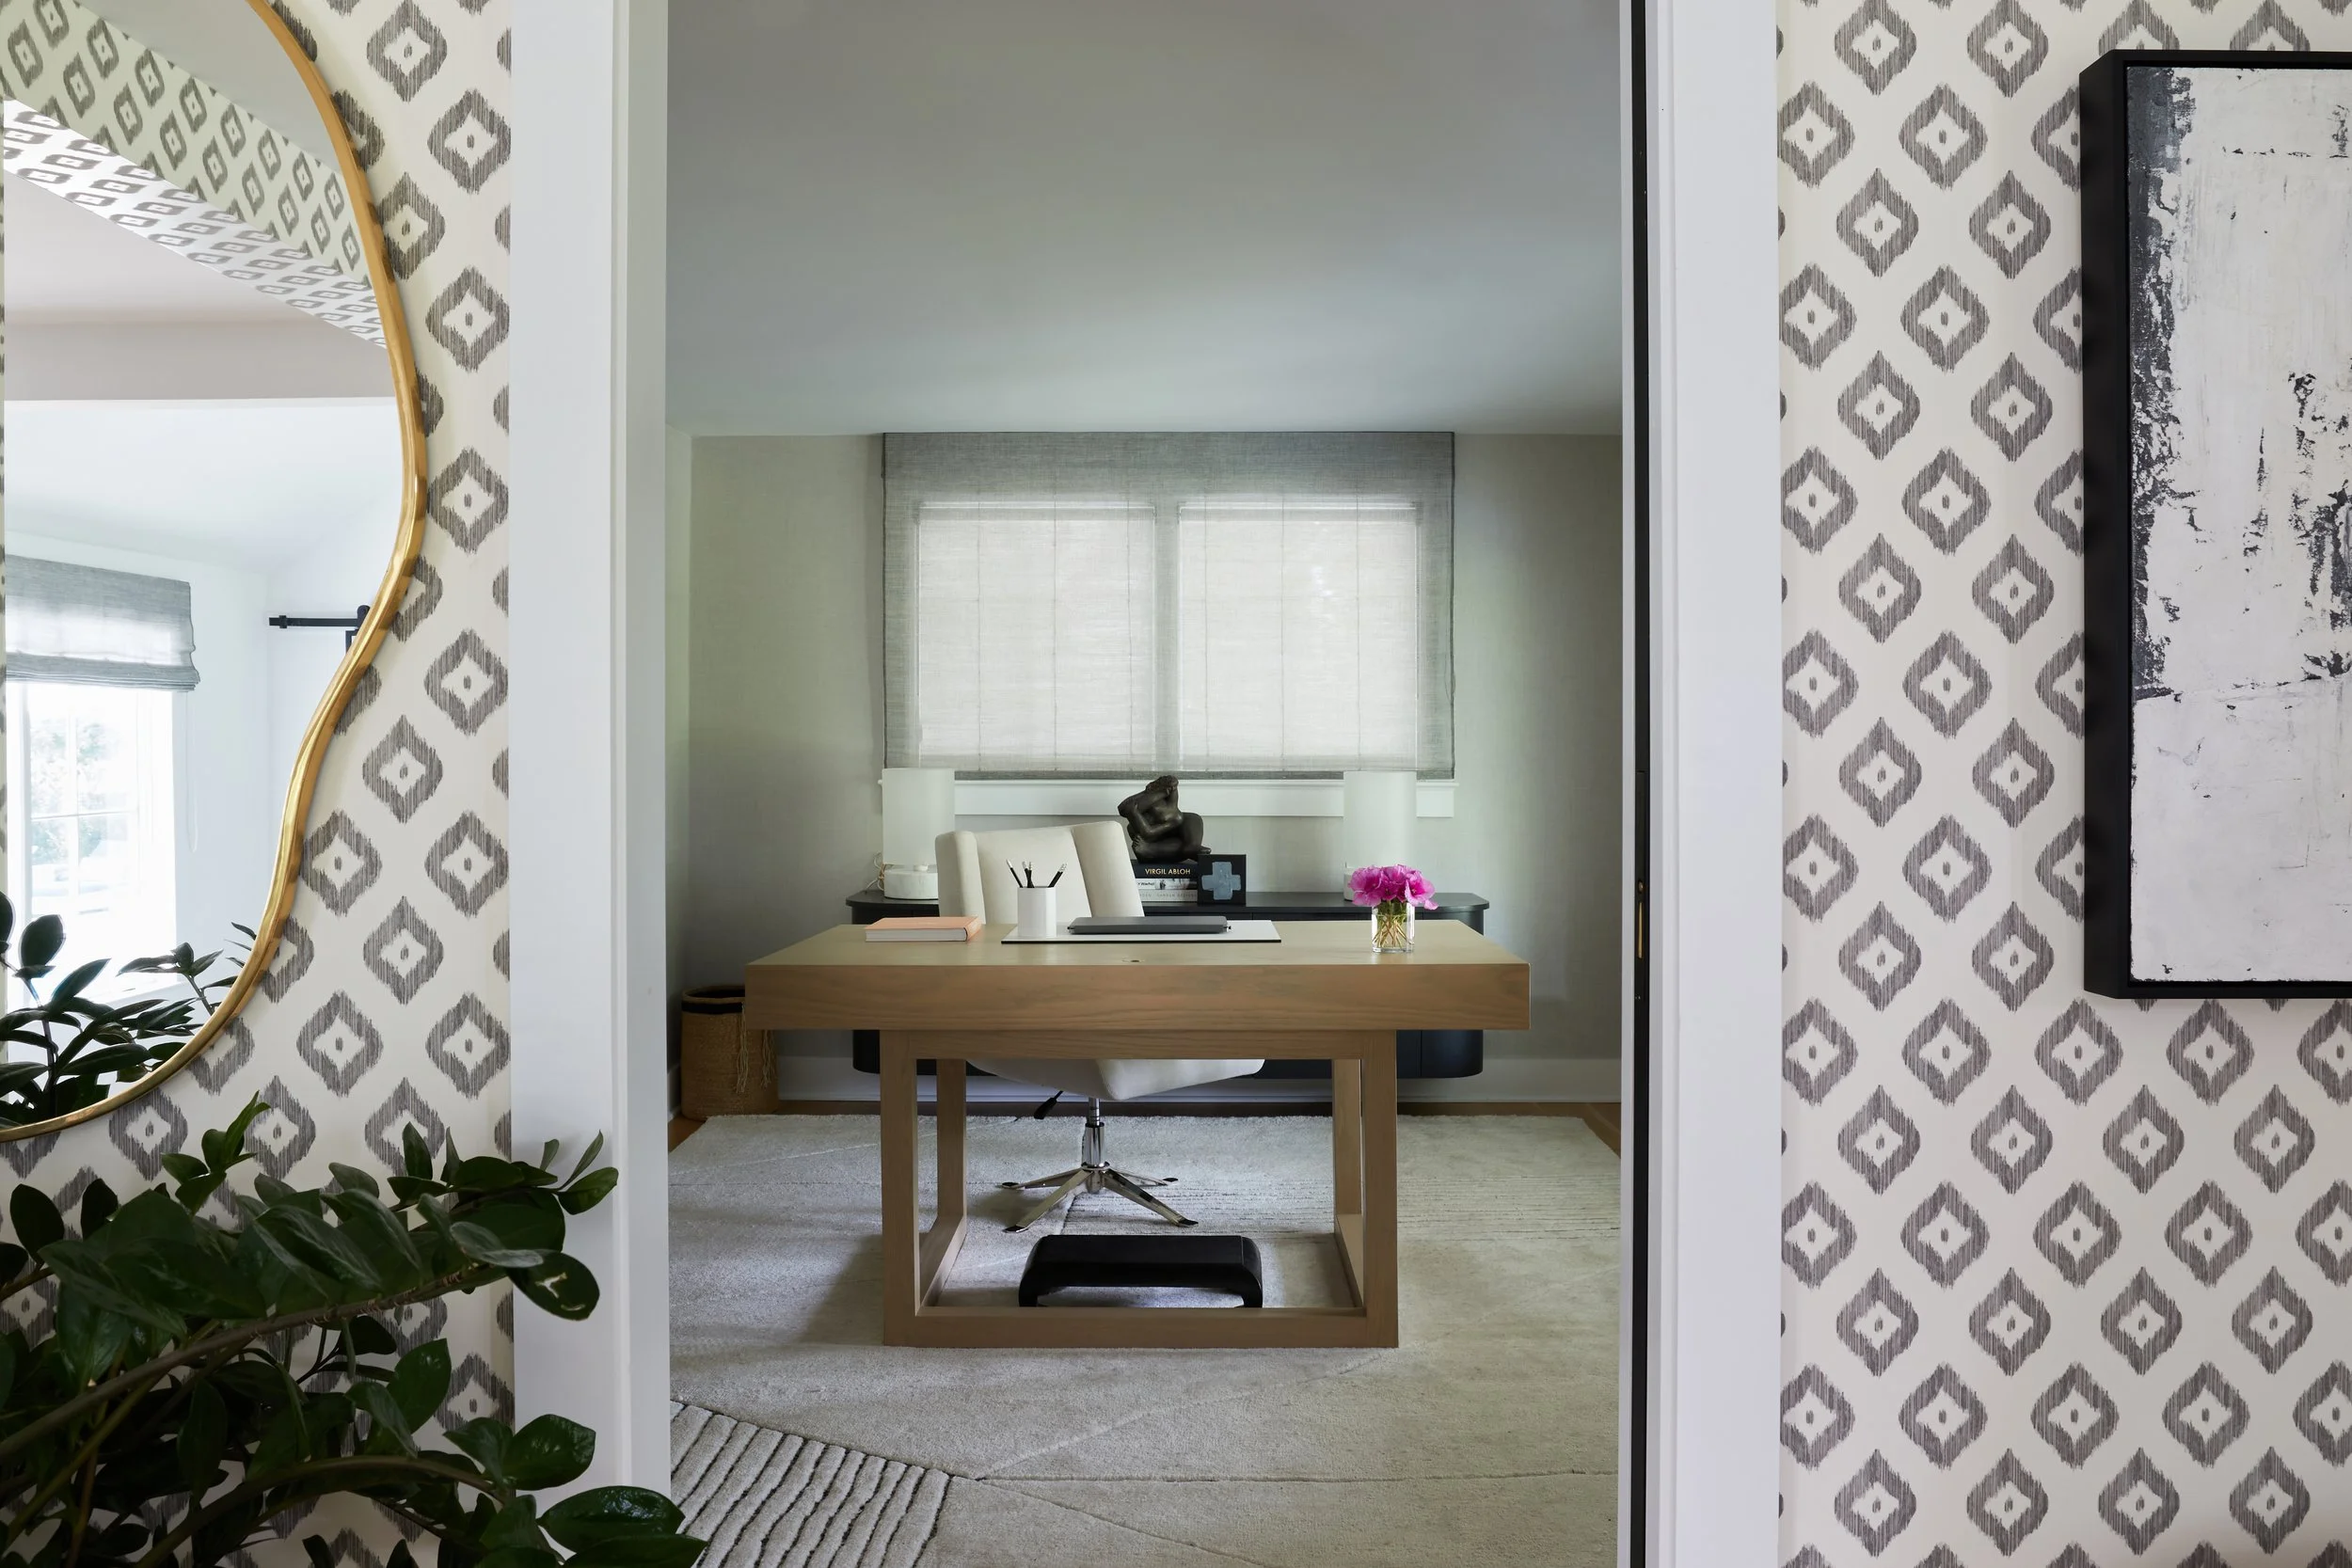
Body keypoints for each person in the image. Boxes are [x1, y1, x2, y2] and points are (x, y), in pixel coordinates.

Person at [1118, 774, 1205, 859]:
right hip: (1151, 838)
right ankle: (1149, 849)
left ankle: (1191, 846)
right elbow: (1124, 809)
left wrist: (1160, 792)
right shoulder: (1159, 799)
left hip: (1160, 835)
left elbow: (1148, 831)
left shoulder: (1176, 818)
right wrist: (1156, 792)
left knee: (1193, 818)